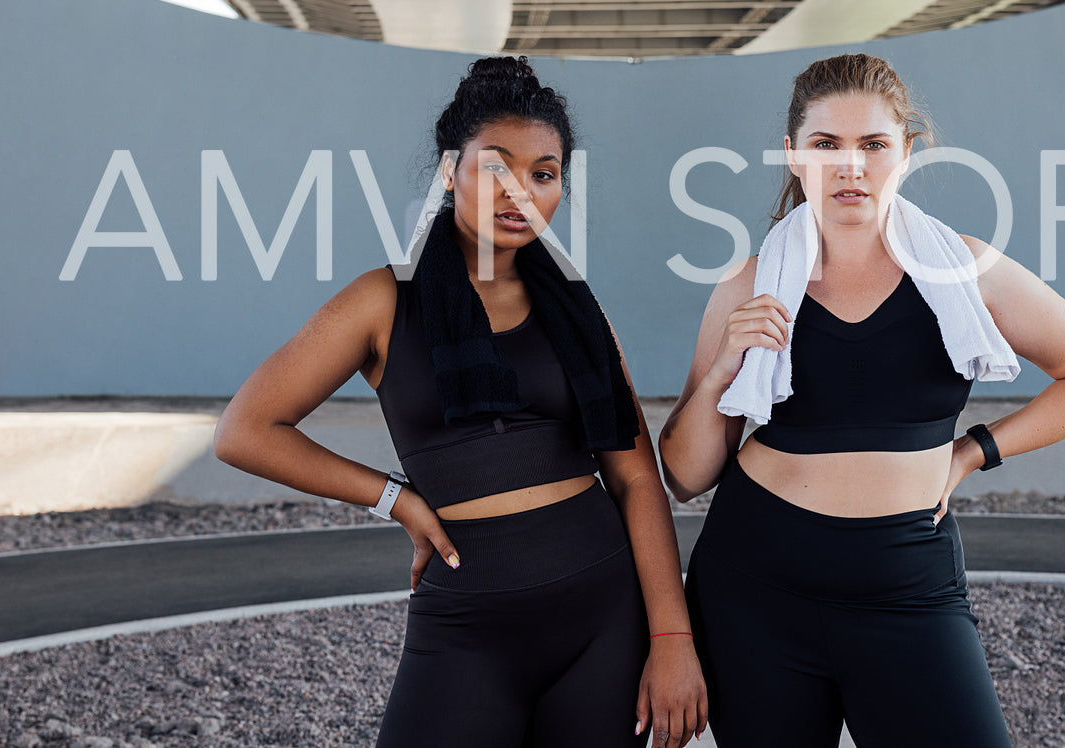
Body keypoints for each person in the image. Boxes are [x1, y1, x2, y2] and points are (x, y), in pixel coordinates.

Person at [215, 56, 707, 748]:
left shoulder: (574, 306)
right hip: (467, 623)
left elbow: (632, 476)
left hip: (601, 613)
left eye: (543, 173)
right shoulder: (384, 301)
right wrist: (397, 499)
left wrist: (672, 638)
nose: (521, 192)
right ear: (450, 171)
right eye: (495, 167)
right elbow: (246, 430)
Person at [658, 52, 1065, 748]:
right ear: (793, 154)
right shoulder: (750, 284)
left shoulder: (963, 269)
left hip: (906, 584)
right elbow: (686, 473)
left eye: (872, 145)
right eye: (825, 145)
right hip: (755, 587)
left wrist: (974, 451)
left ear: (905, 153)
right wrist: (723, 370)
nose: (849, 167)